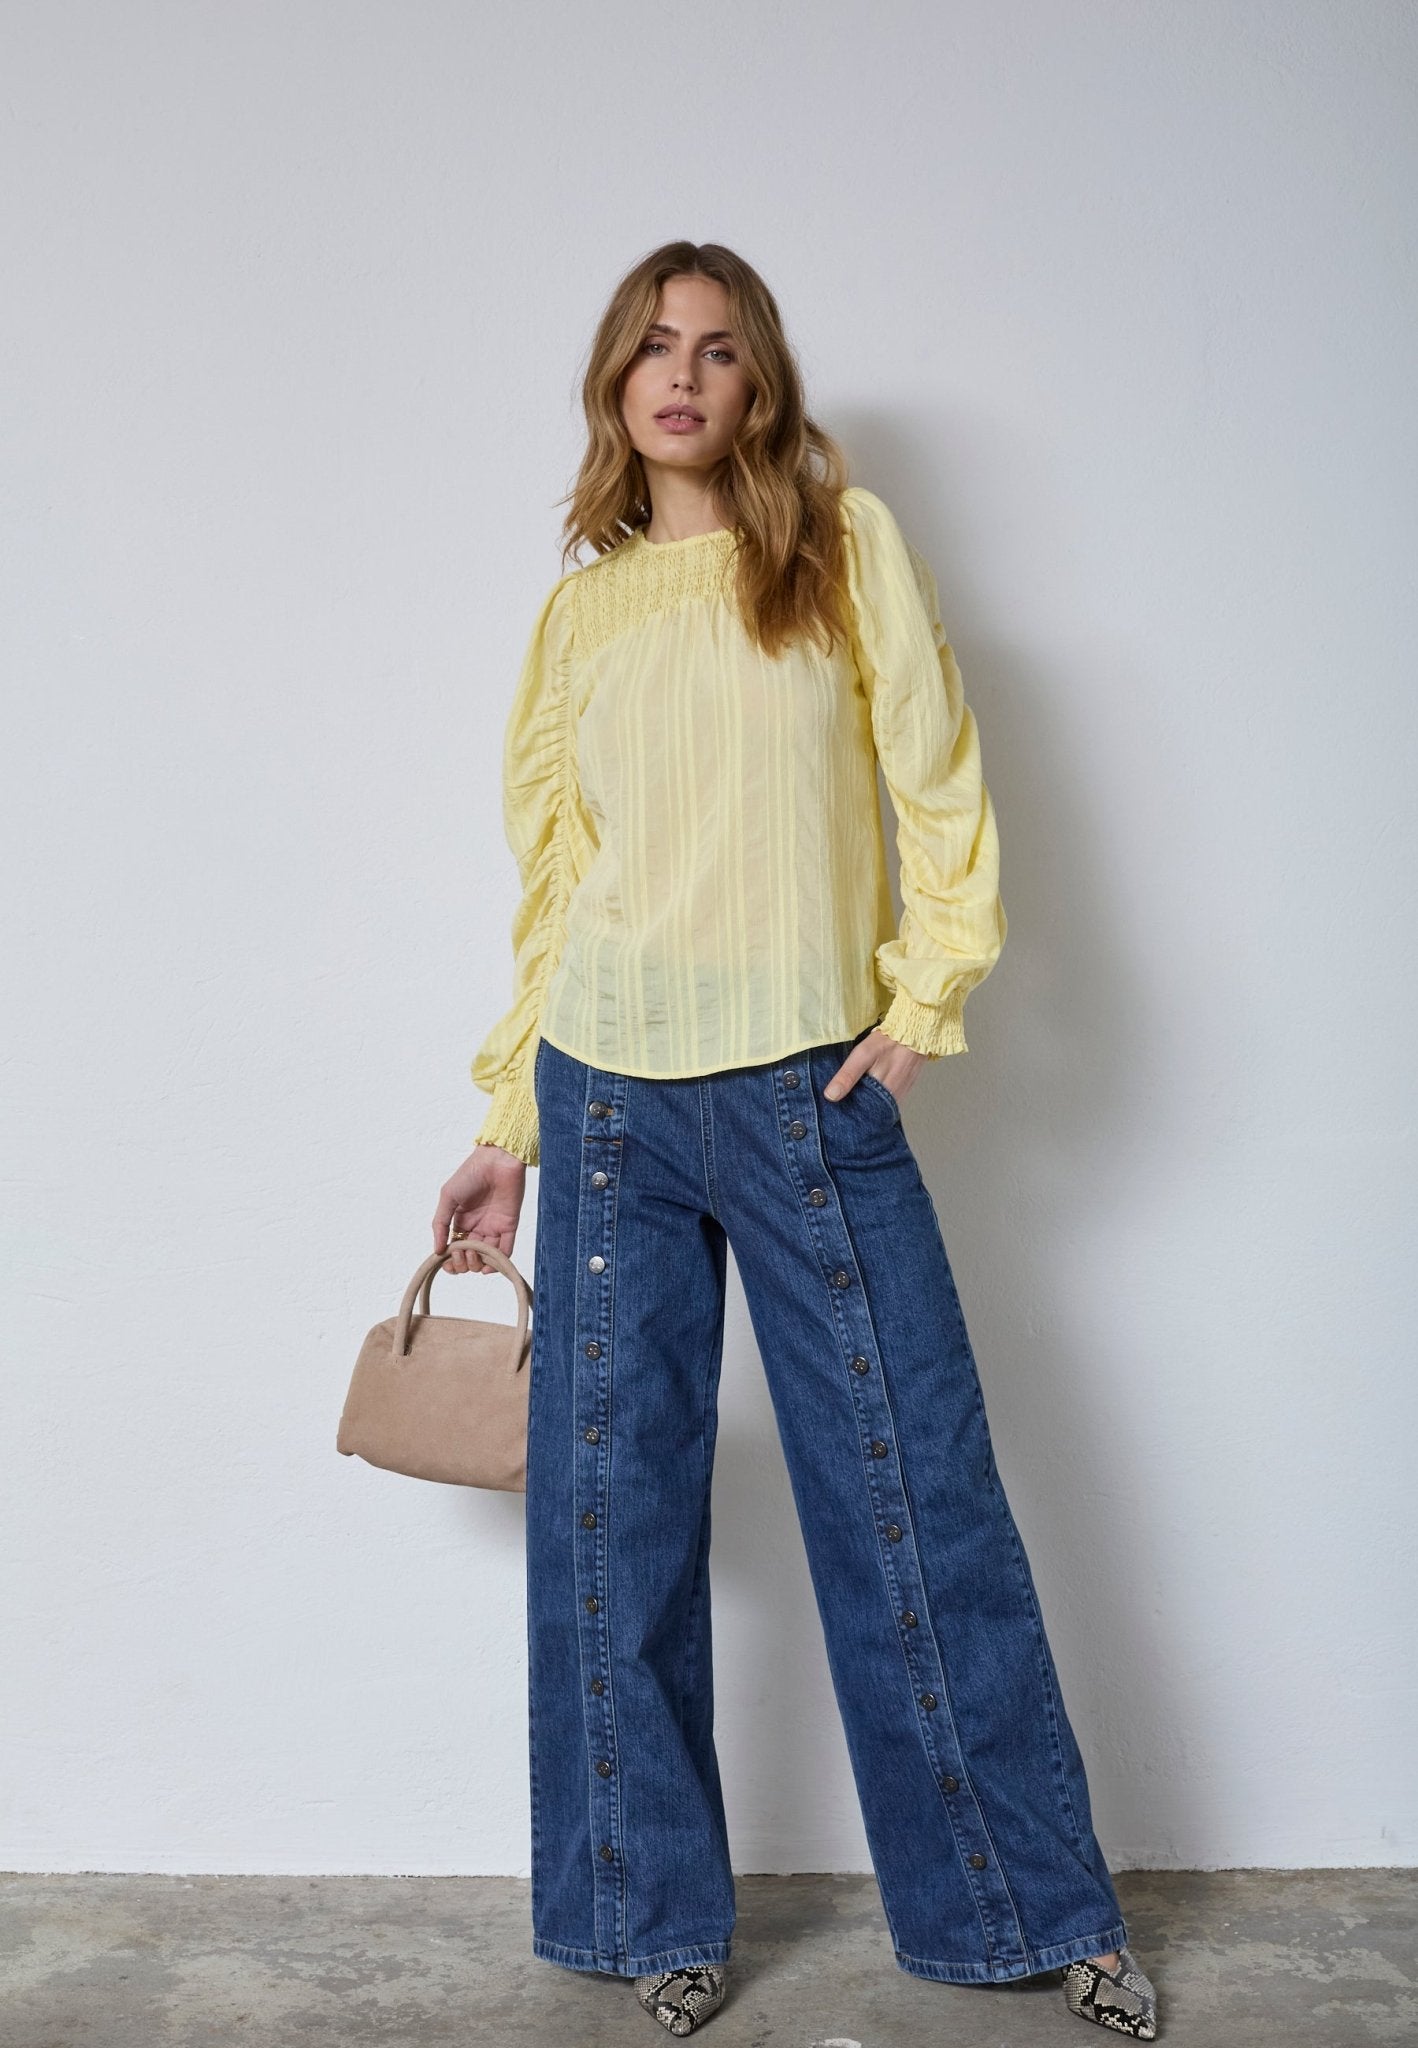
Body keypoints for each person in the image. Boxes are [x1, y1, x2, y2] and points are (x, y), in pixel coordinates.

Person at [433, 240, 1159, 2042]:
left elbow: (936, 776)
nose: (681, 378)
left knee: (910, 1495)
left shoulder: (840, 546)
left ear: (760, 385)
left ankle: (1022, 1912)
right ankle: (645, 1916)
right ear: (614, 384)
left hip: (803, 1088)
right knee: (611, 1520)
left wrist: (921, 999)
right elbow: (557, 883)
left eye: (718, 350)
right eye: (652, 348)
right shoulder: (582, 615)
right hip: (605, 1097)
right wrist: (509, 1120)